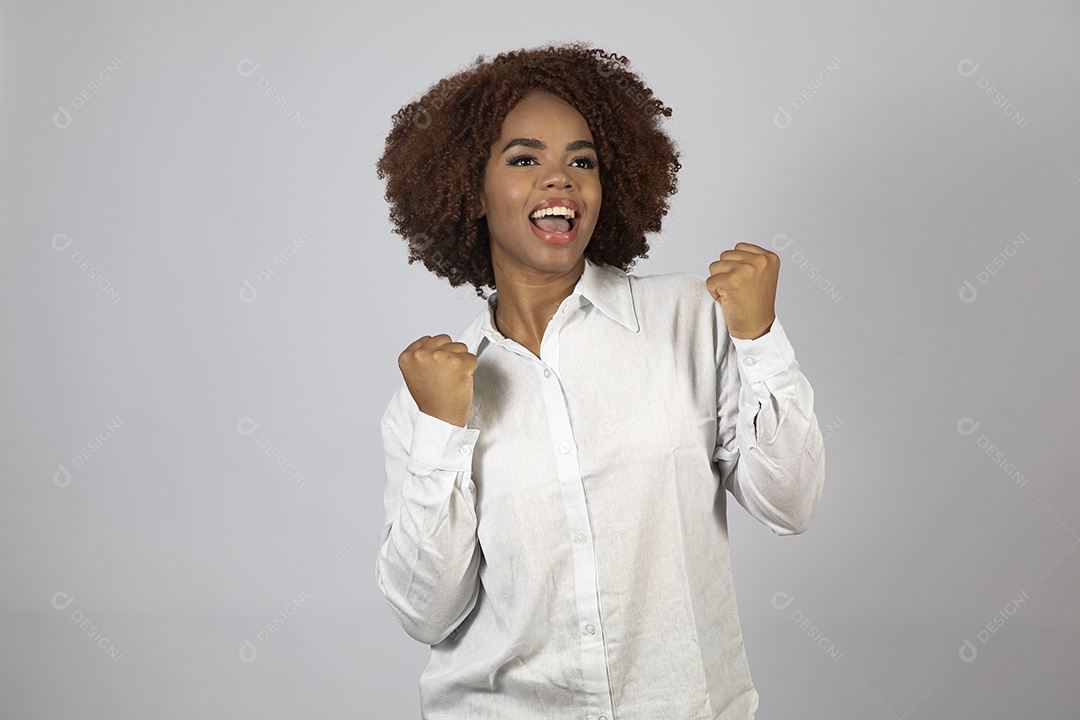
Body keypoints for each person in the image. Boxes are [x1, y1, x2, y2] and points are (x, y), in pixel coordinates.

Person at [375, 42, 826, 720]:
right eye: (524, 159)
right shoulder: (430, 394)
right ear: (472, 187)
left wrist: (759, 338)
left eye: (581, 161)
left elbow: (789, 504)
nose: (559, 180)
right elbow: (427, 613)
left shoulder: (692, 317)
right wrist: (442, 432)